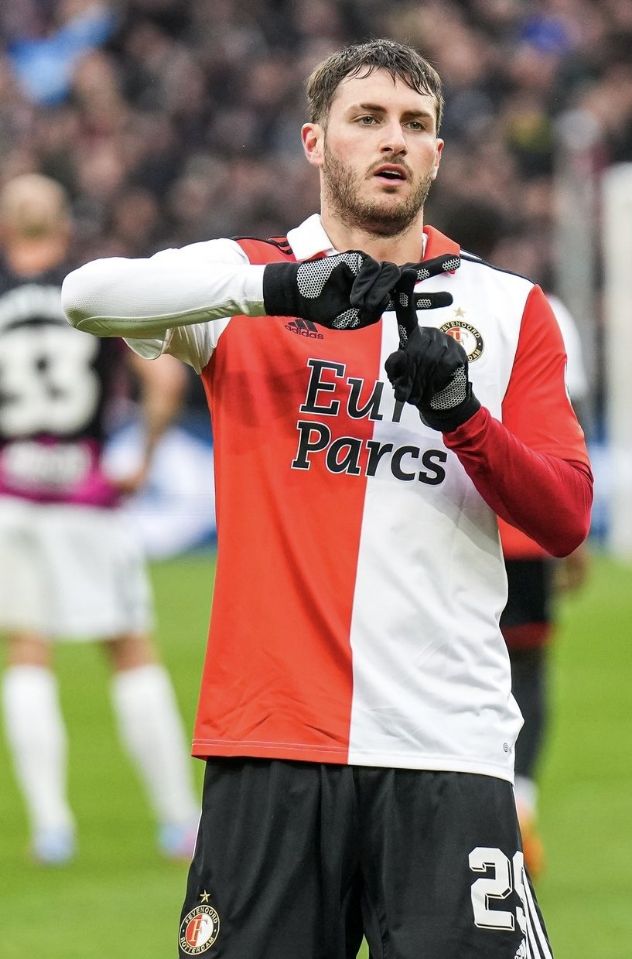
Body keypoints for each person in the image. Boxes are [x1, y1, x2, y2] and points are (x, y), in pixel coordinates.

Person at [63, 39, 592, 959]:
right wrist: (272, 291)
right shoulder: (247, 283)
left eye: (416, 125)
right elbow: (86, 295)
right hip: (275, 744)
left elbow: (565, 514)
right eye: (368, 119)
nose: (393, 140)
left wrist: (464, 412)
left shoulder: (508, 309)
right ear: (315, 141)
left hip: (446, 748)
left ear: (438, 154)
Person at [0, 173, 200, 865]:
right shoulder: (85, 290)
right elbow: (166, 379)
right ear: (62, 226)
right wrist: (142, 453)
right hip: (86, 494)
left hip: (12, 494)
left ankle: (52, 827)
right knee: (128, 645)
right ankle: (180, 819)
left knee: (26, 649)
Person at [498, 293, 592, 880]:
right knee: (526, 671)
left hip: (454, 523)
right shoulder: (543, 306)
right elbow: (569, 422)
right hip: (527, 526)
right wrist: (574, 540)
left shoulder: (412, 295)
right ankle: (518, 802)